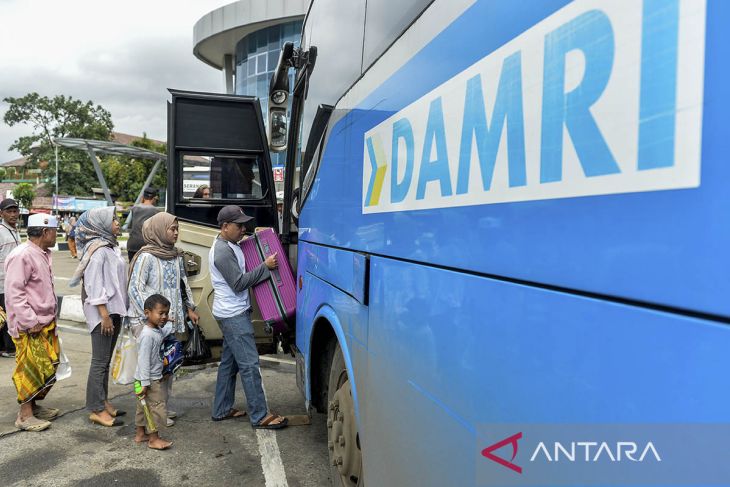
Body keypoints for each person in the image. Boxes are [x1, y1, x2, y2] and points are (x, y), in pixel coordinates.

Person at [209, 205, 287, 429]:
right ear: (224, 227)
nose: (244, 229)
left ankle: (221, 409)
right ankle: (260, 415)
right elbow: (238, 283)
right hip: (233, 315)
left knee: (229, 364)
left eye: (244, 224)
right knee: (250, 365)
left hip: (230, 312)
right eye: (239, 225)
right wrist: (266, 267)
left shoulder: (230, 244)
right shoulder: (223, 251)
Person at [127, 212, 199, 426]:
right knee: (152, 370)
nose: (176, 233)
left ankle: (162, 408)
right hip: (150, 324)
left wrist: (189, 308)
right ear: (159, 230)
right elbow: (135, 289)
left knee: (167, 367)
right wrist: (152, 319)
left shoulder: (175, 255)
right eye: (172, 229)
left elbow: (182, 284)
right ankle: (152, 414)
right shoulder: (146, 256)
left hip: (170, 322)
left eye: (177, 229)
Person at [69, 207, 128, 427]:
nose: (117, 222)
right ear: (101, 225)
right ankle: (95, 408)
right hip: (103, 313)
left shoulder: (111, 247)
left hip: (114, 310)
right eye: (113, 219)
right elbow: (94, 285)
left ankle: (103, 400)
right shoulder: (98, 251)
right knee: (99, 361)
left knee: (105, 361)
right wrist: (104, 315)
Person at [5, 213, 60, 432]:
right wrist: (30, 321)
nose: (56, 235)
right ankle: (25, 416)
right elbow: (14, 294)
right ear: (45, 232)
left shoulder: (42, 253)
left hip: (44, 322)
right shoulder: (23, 255)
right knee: (29, 369)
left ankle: (34, 406)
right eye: (55, 231)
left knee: (46, 368)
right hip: (30, 326)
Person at [134, 293, 174, 450]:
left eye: (166, 313)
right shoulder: (147, 335)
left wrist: (168, 323)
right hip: (149, 379)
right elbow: (143, 360)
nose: (164, 317)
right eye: (160, 313)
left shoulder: (154, 330)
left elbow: (163, 332)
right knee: (155, 407)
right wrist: (145, 383)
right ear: (147, 313)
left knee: (142, 407)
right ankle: (154, 439)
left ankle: (140, 434)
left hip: (142, 379)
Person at [0, 198, 21, 358]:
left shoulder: (15, 231)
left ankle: (5, 347)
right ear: (1, 214)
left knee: (8, 315)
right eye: (9, 211)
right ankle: (8, 348)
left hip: (12, 283)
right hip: (2, 283)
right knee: (6, 316)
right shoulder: (0, 231)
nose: (13, 214)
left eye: (15, 211)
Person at [124, 187, 159, 261]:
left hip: (132, 245)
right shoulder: (156, 211)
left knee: (133, 270)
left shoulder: (134, 208)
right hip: (147, 246)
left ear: (143, 196)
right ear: (154, 198)